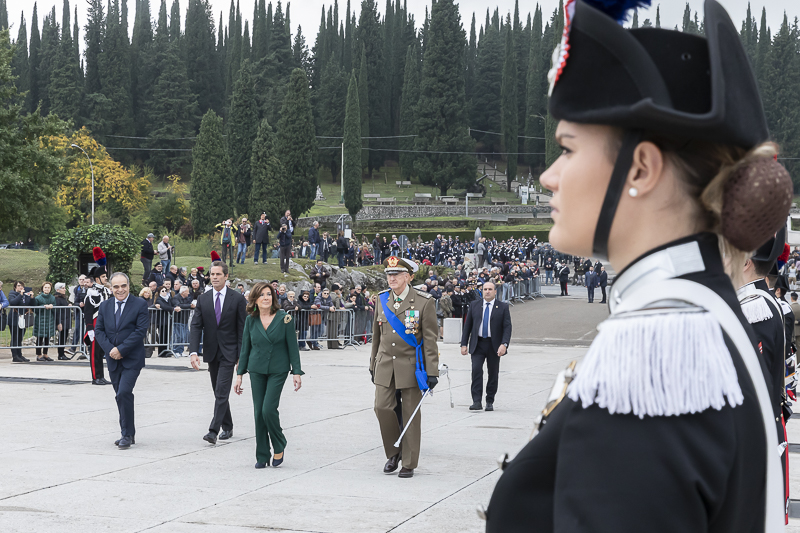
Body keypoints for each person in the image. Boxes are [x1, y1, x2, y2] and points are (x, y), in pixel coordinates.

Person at [482, 1, 791, 530]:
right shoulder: (698, 316)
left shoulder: (656, 352)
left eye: (568, 148)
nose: (549, 178)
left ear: (641, 168)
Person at [370, 256, 439, 479]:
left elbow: (430, 339)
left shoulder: (423, 301)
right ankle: (394, 452)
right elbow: (376, 336)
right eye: (389, 275)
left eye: (397, 275)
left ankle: (408, 462)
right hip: (385, 365)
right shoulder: (381, 300)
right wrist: (373, 363)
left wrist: (432, 371)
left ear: (408, 277)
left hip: (411, 366)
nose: (391, 278)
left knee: (410, 414)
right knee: (382, 407)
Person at [234, 282, 303, 468]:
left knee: (268, 409)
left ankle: (279, 443)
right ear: (254, 299)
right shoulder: (251, 320)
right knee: (258, 413)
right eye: (262, 295)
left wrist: (296, 371)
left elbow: (292, 347)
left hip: (277, 370)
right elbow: (245, 349)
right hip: (256, 369)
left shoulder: (284, 318)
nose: (266, 298)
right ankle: (262, 455)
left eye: (269, 294)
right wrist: (239, 374)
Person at [189, 257, 248, 445]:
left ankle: (213, 430)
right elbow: (196, 326)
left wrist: (241, 355)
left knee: (222, 391)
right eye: (212, 274)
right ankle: (228, 426)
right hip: (212, 351)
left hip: (230, 351)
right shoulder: (203, 299)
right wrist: (193, 352)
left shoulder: (237, 299)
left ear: (226, 276)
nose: (214, 278)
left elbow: (242, 329)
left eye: (218, 274)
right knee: (218, 391)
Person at [95, 273, 150, 449]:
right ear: (111, 288)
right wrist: (111, 350)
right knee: (120, 397)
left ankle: (126, 434)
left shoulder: (140, 304)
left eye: (123, 286)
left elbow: (140, 330)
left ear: (128, 285)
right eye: (116, 286)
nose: (120, 290)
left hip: (132, 358)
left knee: (124, 393)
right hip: (112, 359)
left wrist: (121, 349)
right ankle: (129, 432)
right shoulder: (105, 306)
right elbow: (99, 331)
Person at [460, 281, 511, 411]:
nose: (487, 291)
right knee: (476, 371)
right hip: (478, 344)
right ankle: (476, 401)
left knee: (493, 373)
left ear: (495, 292)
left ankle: (489, 400)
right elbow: (468, 326)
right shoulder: (474, 305)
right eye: (485, 289)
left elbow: (507, 328)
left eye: (490, 289)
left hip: (494, 345)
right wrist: (464, 344)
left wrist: (504, 344)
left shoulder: (503, 307)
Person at [85, 247, 113, 385]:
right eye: (103, 277)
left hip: (106, 324)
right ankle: (96, 377)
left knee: (101, 352)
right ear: (97, 279)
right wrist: (90, 328)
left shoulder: (107, 291)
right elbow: (88, 312)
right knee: (95, 353)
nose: (105, 278)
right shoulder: (92, 292)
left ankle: (101, 376)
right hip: (96, 325)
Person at [8, 281, 33, 362]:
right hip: (14, 319)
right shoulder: (12, 293)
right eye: (18, 286)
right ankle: (15, 356)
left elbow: (30, 304)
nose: (20, 287)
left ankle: (19, 354)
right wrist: (20, 295)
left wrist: (31, 297)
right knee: (15, 337)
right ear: (15, 287)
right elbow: (13, 302)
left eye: (22, 286)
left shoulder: (25, 295)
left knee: (20, 338)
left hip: (23, 318)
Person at [33, 282, 56, 361]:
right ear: (42, 288)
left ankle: (45, 354)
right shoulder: (38, 298)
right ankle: (39, 354)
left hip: (49, 320)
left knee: (47, 338)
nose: (47, 289)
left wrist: (52, 306)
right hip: (40, 320)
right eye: (45, 287)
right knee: (39, 338)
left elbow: (56, 308)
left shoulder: (52, 298)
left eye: (48, 287)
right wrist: (43, 306)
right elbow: (35, 309)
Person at [54, 283, 71, 360]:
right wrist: (58, 323)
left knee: (64, 337)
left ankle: (62, 353)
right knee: (62, 338)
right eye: (63, 288)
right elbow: (57, 311)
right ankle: (60, 354)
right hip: (62, 320)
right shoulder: (57, 298)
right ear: (58, 290)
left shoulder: (63, 298)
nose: (65, 289)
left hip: (65, 319)